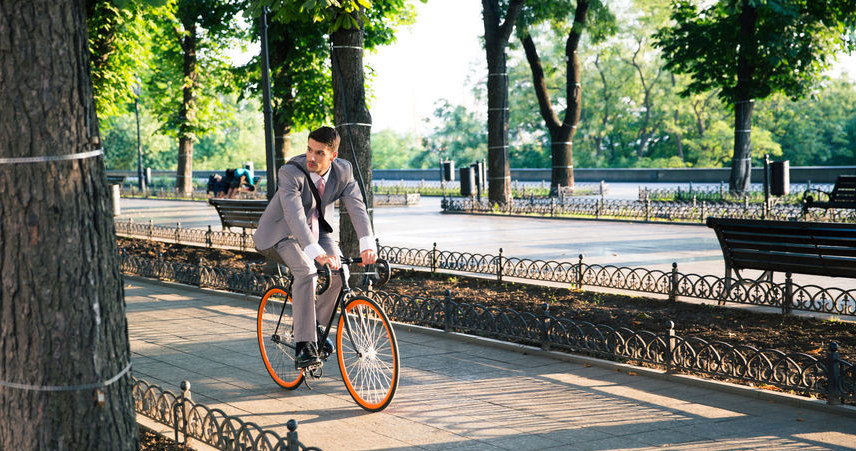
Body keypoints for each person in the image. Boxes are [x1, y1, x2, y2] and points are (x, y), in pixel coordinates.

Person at [254, 126, 377, 369]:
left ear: (333, 155)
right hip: (281, 233)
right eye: (309, 149)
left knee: (342, 273)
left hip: (315, 231)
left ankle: (316, 327)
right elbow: (294, 216)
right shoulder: (290, 172)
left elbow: (357, 207)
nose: (311, 157)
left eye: (319, 153)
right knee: (307, 271)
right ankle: (304, 345)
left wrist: (367, 244)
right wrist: (316, 254)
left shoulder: (344, 171)